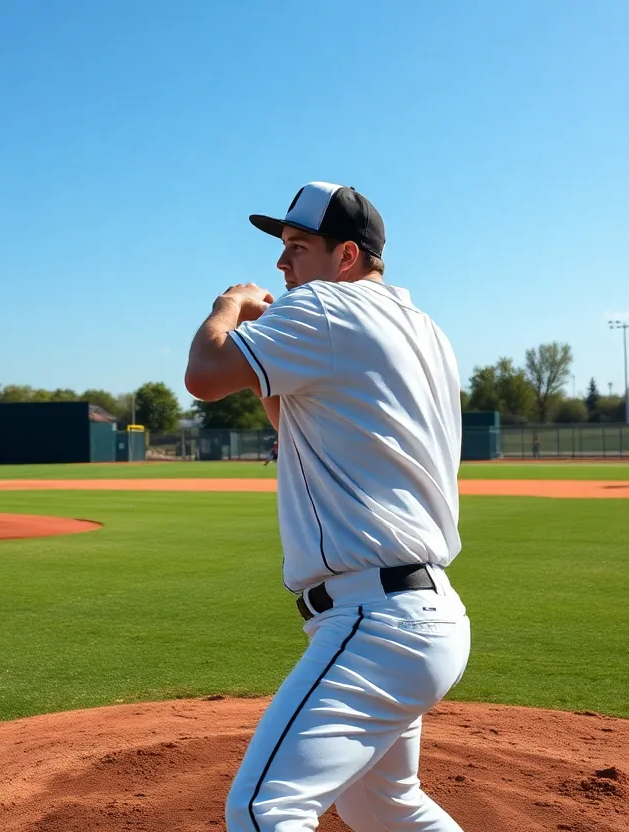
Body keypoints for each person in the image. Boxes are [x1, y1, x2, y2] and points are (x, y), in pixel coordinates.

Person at [185, 181, 470, 831]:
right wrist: (269, 345)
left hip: (376, 620)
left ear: (346, 257)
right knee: (385, 806)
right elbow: (294, 424)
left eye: (297, 246)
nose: (282, 265)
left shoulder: (326, 310)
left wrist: (227, 306)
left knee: (262, 810)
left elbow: (204, 373)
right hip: (420, 616)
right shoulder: (422, 328)